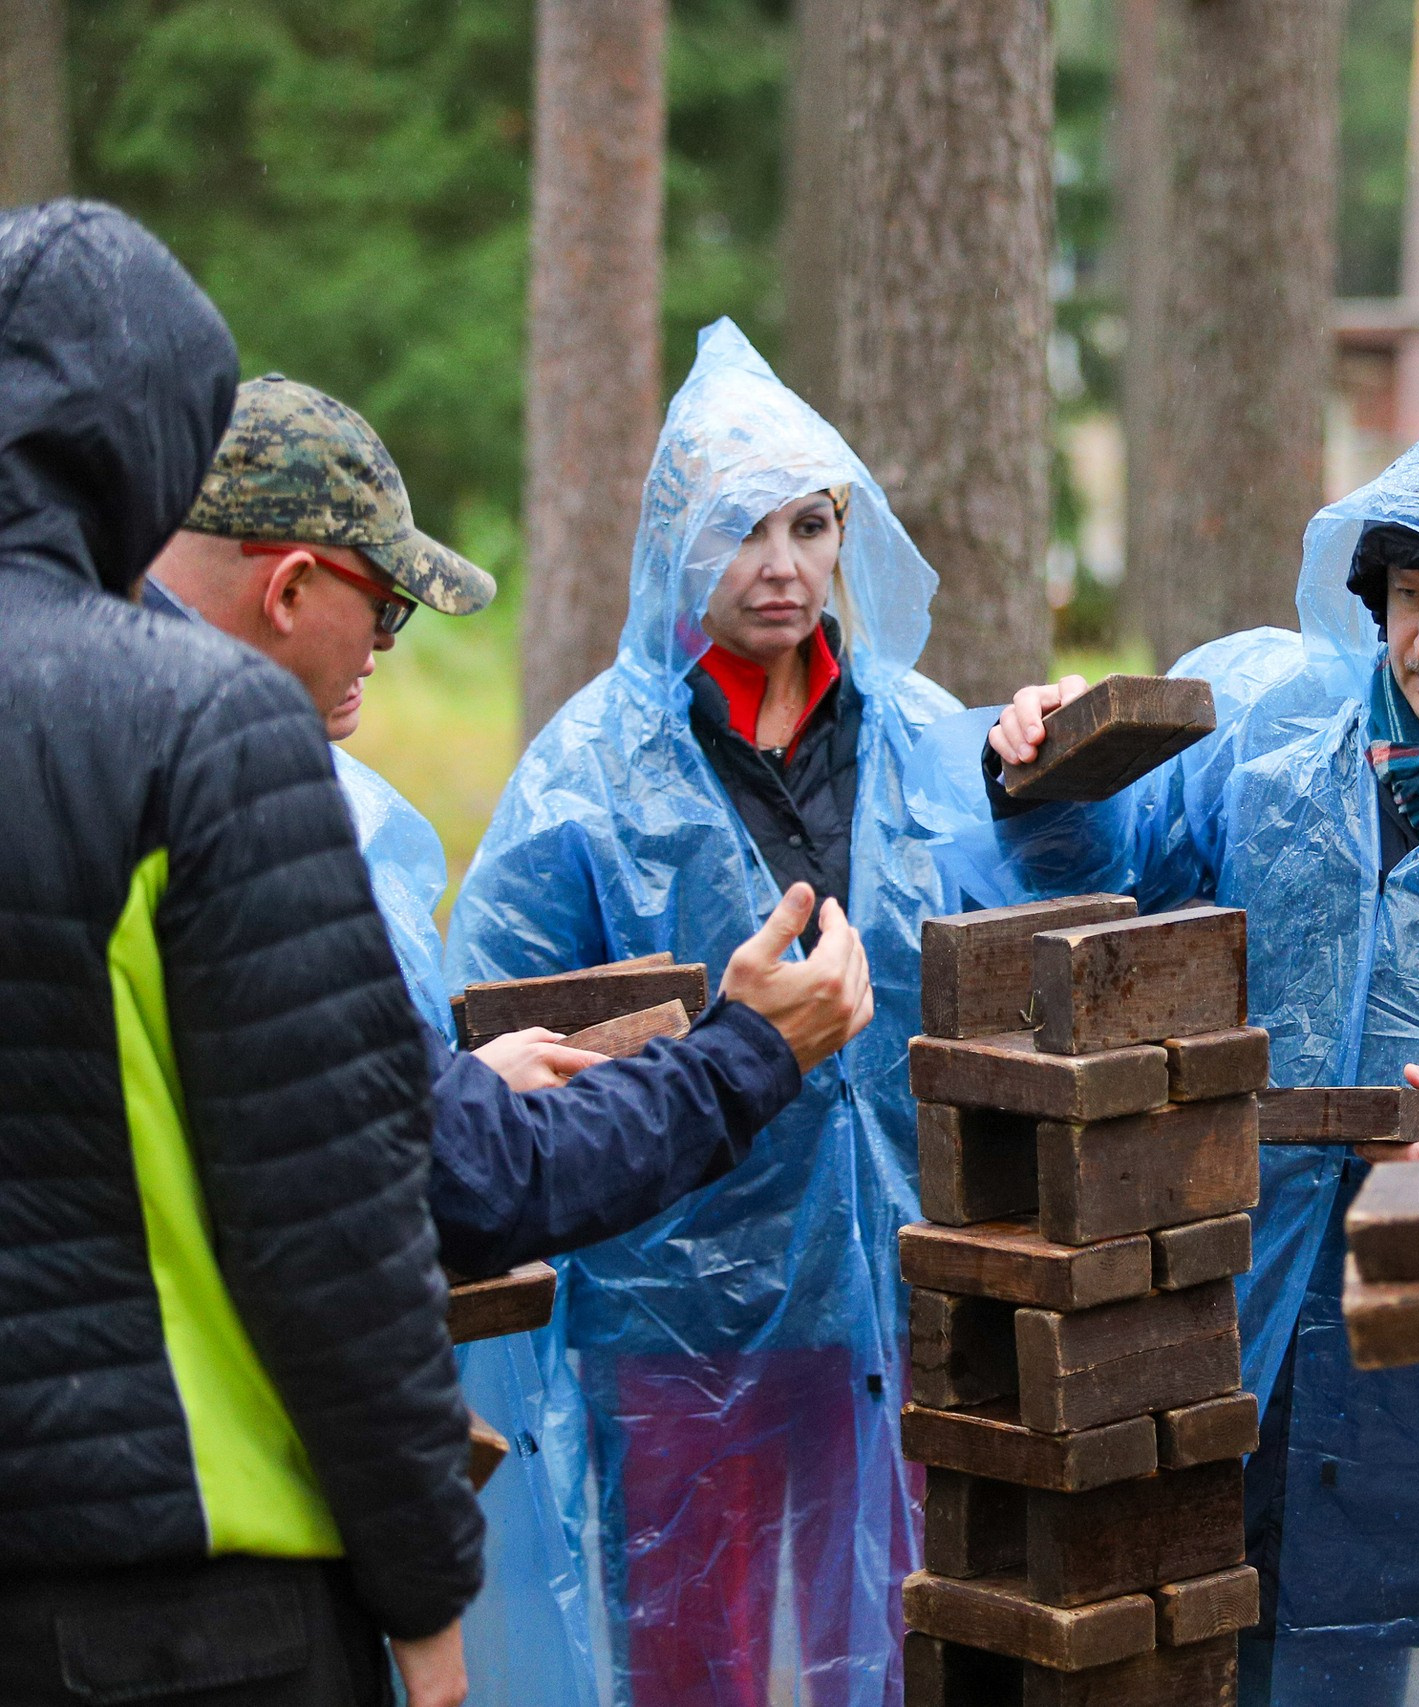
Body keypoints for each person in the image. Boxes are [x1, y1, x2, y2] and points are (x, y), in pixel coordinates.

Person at [936, 349, 1419, 1703]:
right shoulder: (1279, 724)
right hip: (1265, 1288)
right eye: (1411, 600)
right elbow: (1105, 860)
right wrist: (1029, 765)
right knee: (1280, 1613)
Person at [0, 201, 480, 1706]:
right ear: (146, 442)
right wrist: (426, 1588)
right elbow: (329, 1223)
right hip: (186, 1598)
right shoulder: (203, 728)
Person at [447, 319, 966, 1707]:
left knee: (916, 1635)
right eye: (744, 528)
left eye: (810, 522)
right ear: (677, 543)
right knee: (700, 1662)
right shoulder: (587, 773)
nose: (783, 564)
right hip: (682, 1317)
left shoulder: (924, 735)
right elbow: (492, 1029)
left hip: (903, 1291)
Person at [144, 374, 871, 1278]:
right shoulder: (240, 812)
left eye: (810, 525)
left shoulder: (94, 734)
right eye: (386, 607)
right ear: (289, 591)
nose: (385, 646)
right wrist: (751, 1050)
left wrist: (1019, 771)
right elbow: (463, 1177)